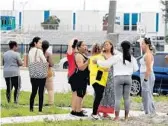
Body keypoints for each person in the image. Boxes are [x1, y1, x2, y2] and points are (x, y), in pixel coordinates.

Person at [94, 41, 138, 121]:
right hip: (128, 78)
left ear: (121, 48)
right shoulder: (132, 58)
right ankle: (126, 117)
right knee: (127, 98)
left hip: (118, 78)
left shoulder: (117, 57)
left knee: (117, 98)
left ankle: (117, 117)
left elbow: (106, 64)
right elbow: (135, 69)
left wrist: (97, 61)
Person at [89, 43, 109, 120]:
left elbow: (90, 69)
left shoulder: (91, 58)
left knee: (98, 96)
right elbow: (106, 68)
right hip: (100, 79)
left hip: (94, 79)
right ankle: (94, 114)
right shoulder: (101, 57)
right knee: (98, 96)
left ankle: (95, 113)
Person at [28, 37, 47, 112]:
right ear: (35, 43)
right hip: (41, 74)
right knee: (41, 92)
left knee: (33, 91)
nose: (41, 44)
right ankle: (40, 110)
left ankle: (31, 109)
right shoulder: (39, 51)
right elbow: (44, 61)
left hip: (33, 74)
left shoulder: (30, 50)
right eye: (40, 43)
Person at [98, 40, 115, 118]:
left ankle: (105, 112)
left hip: (111, 76)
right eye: (104, 44)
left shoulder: (114, 55)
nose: (106, 46)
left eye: (107, 44)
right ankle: (97, 110)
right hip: (101, 74)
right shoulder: (101, 54)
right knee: (100, 92)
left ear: (111, 46)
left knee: (109, 93)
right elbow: (97, 64)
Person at [140, 38, 156, 116]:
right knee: (147, 93)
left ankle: (149, 112)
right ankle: (149, 111)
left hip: (147, 75)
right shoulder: (146, 54)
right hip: (145, 75)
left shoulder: (148, 55)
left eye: (142, 44)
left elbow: (148, 69)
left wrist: (145, 80)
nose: (141, 45)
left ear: (147, 45)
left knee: (147, 93)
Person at [73, 41, 89, 117]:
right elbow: (81, 68)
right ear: (78, 47)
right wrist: (88, 61)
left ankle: (76, 109)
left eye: (85, 45)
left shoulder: (83, 55)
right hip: (80, 77)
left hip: (83, 77)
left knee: (82, 94)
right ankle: (78, 111)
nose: (85, 46)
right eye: (83, 45)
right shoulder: (78, 55)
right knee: (80, 94)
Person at [67, 39, 78, 115]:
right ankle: (74, 109)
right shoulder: (71, 54)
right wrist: (73, 40)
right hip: (73, 75)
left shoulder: (78, 54)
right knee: (75, 93)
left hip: (75, 75)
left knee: (78, 93)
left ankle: (76, 108)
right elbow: (70, 45)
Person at [42, 40, 54, 106]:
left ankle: (41, 102)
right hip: (48, 73)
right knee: (50, 89)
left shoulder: (39, 53)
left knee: (41, 89)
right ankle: (50, 103)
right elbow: (51, 64)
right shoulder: (48, 54)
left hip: (40, 73)